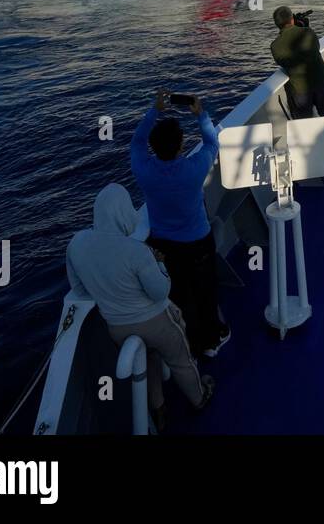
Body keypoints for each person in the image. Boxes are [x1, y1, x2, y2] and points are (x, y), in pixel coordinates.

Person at [67, 183, 214, 426]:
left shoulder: (77, 244)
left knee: (148, 359)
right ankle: (199, 398)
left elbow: (79, 288)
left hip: (117, 328)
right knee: (181, 360)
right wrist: (159, 265)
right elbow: (160, 292)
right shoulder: (136, 251)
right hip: (157, 323)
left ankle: (159, 409)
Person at [131, 90, 229, 357]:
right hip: (197, 242)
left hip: (164, 246)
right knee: (205, 290)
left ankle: (189, 341)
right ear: (180, 144)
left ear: (155, 146)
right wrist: (201, 115)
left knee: (180, 295)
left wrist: (154, 111)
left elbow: (137, 143)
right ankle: (211, 341)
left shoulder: (145, 171)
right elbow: (211, 143)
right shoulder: (193, 169)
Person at [271, 7, 324, 119]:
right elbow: (314, 48)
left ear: (277, 24)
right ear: (292, 19)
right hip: (321, 83)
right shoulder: (307, 33)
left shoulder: (275, 46)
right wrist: (303, 27)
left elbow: (283, 61)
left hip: (299, 91)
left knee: (303, 122)